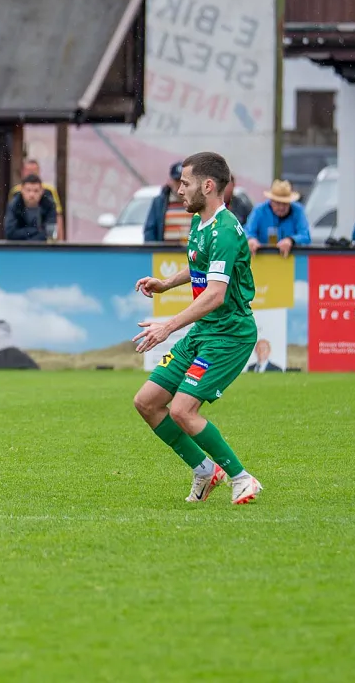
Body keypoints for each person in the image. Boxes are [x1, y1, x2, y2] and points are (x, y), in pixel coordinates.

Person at [131, 151, 263, 506]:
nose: (179, 190)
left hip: (229, 335)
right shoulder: (201, 223)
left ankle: (242, 478)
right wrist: (166, 283)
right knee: (147, 402)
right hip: (205, 331)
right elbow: (199, 266)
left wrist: (168, 326)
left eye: (185, 183)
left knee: (182, 411)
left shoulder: (225, 231)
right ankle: (205, 471)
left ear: (207, 186)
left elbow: (216, 295)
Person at [244, 179, 311, 257]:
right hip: (262, 259)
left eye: (285, 203)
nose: (281, 207)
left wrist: (291, 240)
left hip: (291, 260)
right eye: (278, 203)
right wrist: (250, 239)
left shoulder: (298, 210)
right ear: (271, 201)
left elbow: (305, 236)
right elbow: (247, 231)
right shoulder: (259, 210)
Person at [8, 158, 64, 240]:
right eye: (28, 170)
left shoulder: (49, 190)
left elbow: (57, 216)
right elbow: (10, 224)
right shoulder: (15, 191)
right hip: (21, 240)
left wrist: (60, 240)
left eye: (34, 170)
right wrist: (34, 231)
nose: (32, 194)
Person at [143, 162, 192, 244]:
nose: (180, 185)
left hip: (190, 251)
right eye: (177, 181)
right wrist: (154, 249)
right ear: (170, 181)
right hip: (165, 251)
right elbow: (150, 231)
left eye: (183, 181)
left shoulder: (197, 202)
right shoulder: (159, 202)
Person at [4, 174, 58, 242]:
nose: (32, 194)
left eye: (36, 191)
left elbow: (50, 234)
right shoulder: (14, 205)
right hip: (18, 246)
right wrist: (36, 231)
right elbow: (10, 233)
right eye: (28, 190)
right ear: (22, 190)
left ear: (42, 191)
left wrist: (27, 237)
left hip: (42, 247)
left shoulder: (49, 205)